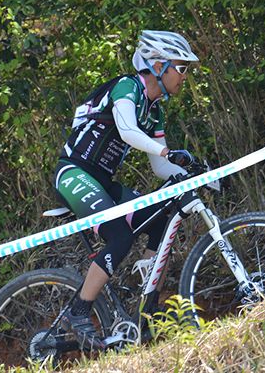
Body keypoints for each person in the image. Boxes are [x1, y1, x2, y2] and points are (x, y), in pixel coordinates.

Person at [53, 30, 199, 350]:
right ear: (158, 66)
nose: (185, 76)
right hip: (73, 174)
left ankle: (146, 308)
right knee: (120, 237)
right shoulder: (127, 87)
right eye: (181, 68)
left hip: (103, 182)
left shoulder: (155, 110)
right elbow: (128, 130)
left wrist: (201, 175)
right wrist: (167, 153)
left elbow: (160, 167)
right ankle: (78, 312)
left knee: (160, 219)